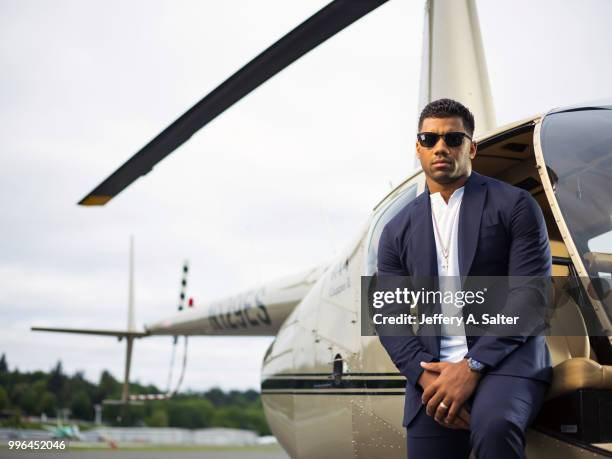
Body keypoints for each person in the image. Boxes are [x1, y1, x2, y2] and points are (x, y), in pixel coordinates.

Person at [377, 98, 552, 459]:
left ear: (470, 147)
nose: (440, 147)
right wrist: (426, 377)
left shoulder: (515, 205)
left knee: (495, 425)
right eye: (429, 139)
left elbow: (530, 297)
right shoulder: (396, 230)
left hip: (508, 359)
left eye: (453, 138)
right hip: (432, 370)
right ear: (418, 148)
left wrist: (472, 366)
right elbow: (388, 316)